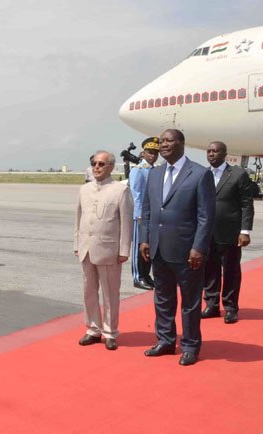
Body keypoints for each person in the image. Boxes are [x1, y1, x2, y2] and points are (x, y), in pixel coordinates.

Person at [139, 129, 215, 366]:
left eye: (169, 141)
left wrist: (199, 247)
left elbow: (206, 216)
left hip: (187, 252)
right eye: (161, 141)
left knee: (190, 302)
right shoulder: (155, 174)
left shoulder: (199, 174)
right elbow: (147, 210)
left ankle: (191, 345)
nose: (163, 145)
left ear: (182, 143)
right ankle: (166, 340)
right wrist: (144, 239)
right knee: (163, 298)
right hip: (159, 248)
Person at [74, 151, 132, 350]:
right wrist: (77, 244)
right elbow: (78, 218)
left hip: (109, 250)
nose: (96, 167)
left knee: (110, 293)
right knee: (89, 291)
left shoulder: (120, 190)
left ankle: (109, 332)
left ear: (110, 167)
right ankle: (92, 329)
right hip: (86, 249)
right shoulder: (84, 189)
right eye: (94, 163)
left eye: (101, 164)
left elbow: (126, 223)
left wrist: (124, 249)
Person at [202, 141, 255, 324]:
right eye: (209, 151)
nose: (211, 154)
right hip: (207, 233)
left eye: (215, 151)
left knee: (231, 270)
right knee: (209, 270)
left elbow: (247, 204)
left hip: (230, 233)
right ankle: (212, 305)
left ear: (224, 154)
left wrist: (245, 230)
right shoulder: (203, 174)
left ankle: (231, 307)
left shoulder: (238, 174)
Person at [128, 138, 159, 290]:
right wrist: (139, 215)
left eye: (155, 153)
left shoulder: (154, 170)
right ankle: (137, 277)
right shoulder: (138, 170)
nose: (153, 155)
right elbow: (136, 194)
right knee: (138, 247)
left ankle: (146, 275)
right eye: (150, 152)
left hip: (152, 215)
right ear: (143, 153)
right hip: (140, 216)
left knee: (149, 247)